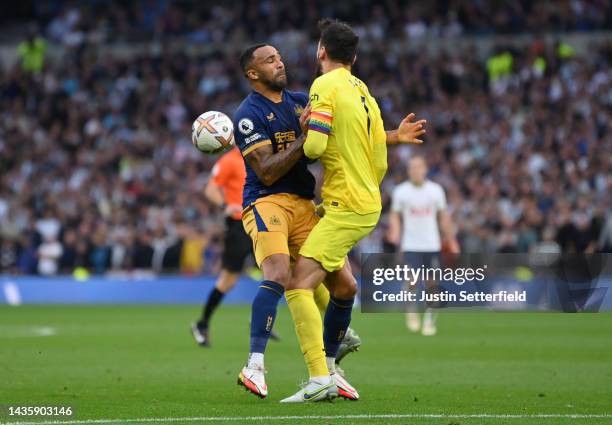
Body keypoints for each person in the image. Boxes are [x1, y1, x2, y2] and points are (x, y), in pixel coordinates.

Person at [280, 19, 426, 403]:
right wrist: (395, 136)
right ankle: (333, 364)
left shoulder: (323, 86)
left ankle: (320, 377)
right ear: (355, 57)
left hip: (345, 204)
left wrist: (302, 128)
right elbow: (375, 149)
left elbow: (312, 149)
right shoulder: (363, 91)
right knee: (344, 286)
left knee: (297, 284)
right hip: (362, 201)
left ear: (321, 52)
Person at [232, 43, 363, 401]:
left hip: (305, 204)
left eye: (279, 57)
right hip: (266, 201)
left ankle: (331, 369)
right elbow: (268, 171)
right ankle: (254, 365)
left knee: (346, 286)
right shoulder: (247, 115)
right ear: (253, 73)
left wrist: (390, 137)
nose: (280, 63)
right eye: (270, 60)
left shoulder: (300, 101)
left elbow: (340, 138)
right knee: (278, 273)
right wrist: (306, 137)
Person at [387, 155, 460, 336]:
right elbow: (395, 215)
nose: (416, 170)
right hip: (411, 243)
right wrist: (394, 231)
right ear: (408, 170)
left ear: (425, 169)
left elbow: (443, 217)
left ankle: (429, 320)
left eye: (419, 167)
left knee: (432, 284)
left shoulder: (435, 191)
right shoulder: (401, 192)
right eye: (412, 167)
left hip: (431, 244)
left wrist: (451, 240)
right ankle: (411, 310)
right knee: (412, 281)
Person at [191, 147, 256, 347]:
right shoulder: (229, 160)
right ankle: (202, 323)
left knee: (279, 270)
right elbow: (210, 189)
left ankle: (261, 320)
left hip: (262, 220)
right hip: (239, 225)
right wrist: (224, 206)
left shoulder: (257, 154)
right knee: (229, 279)